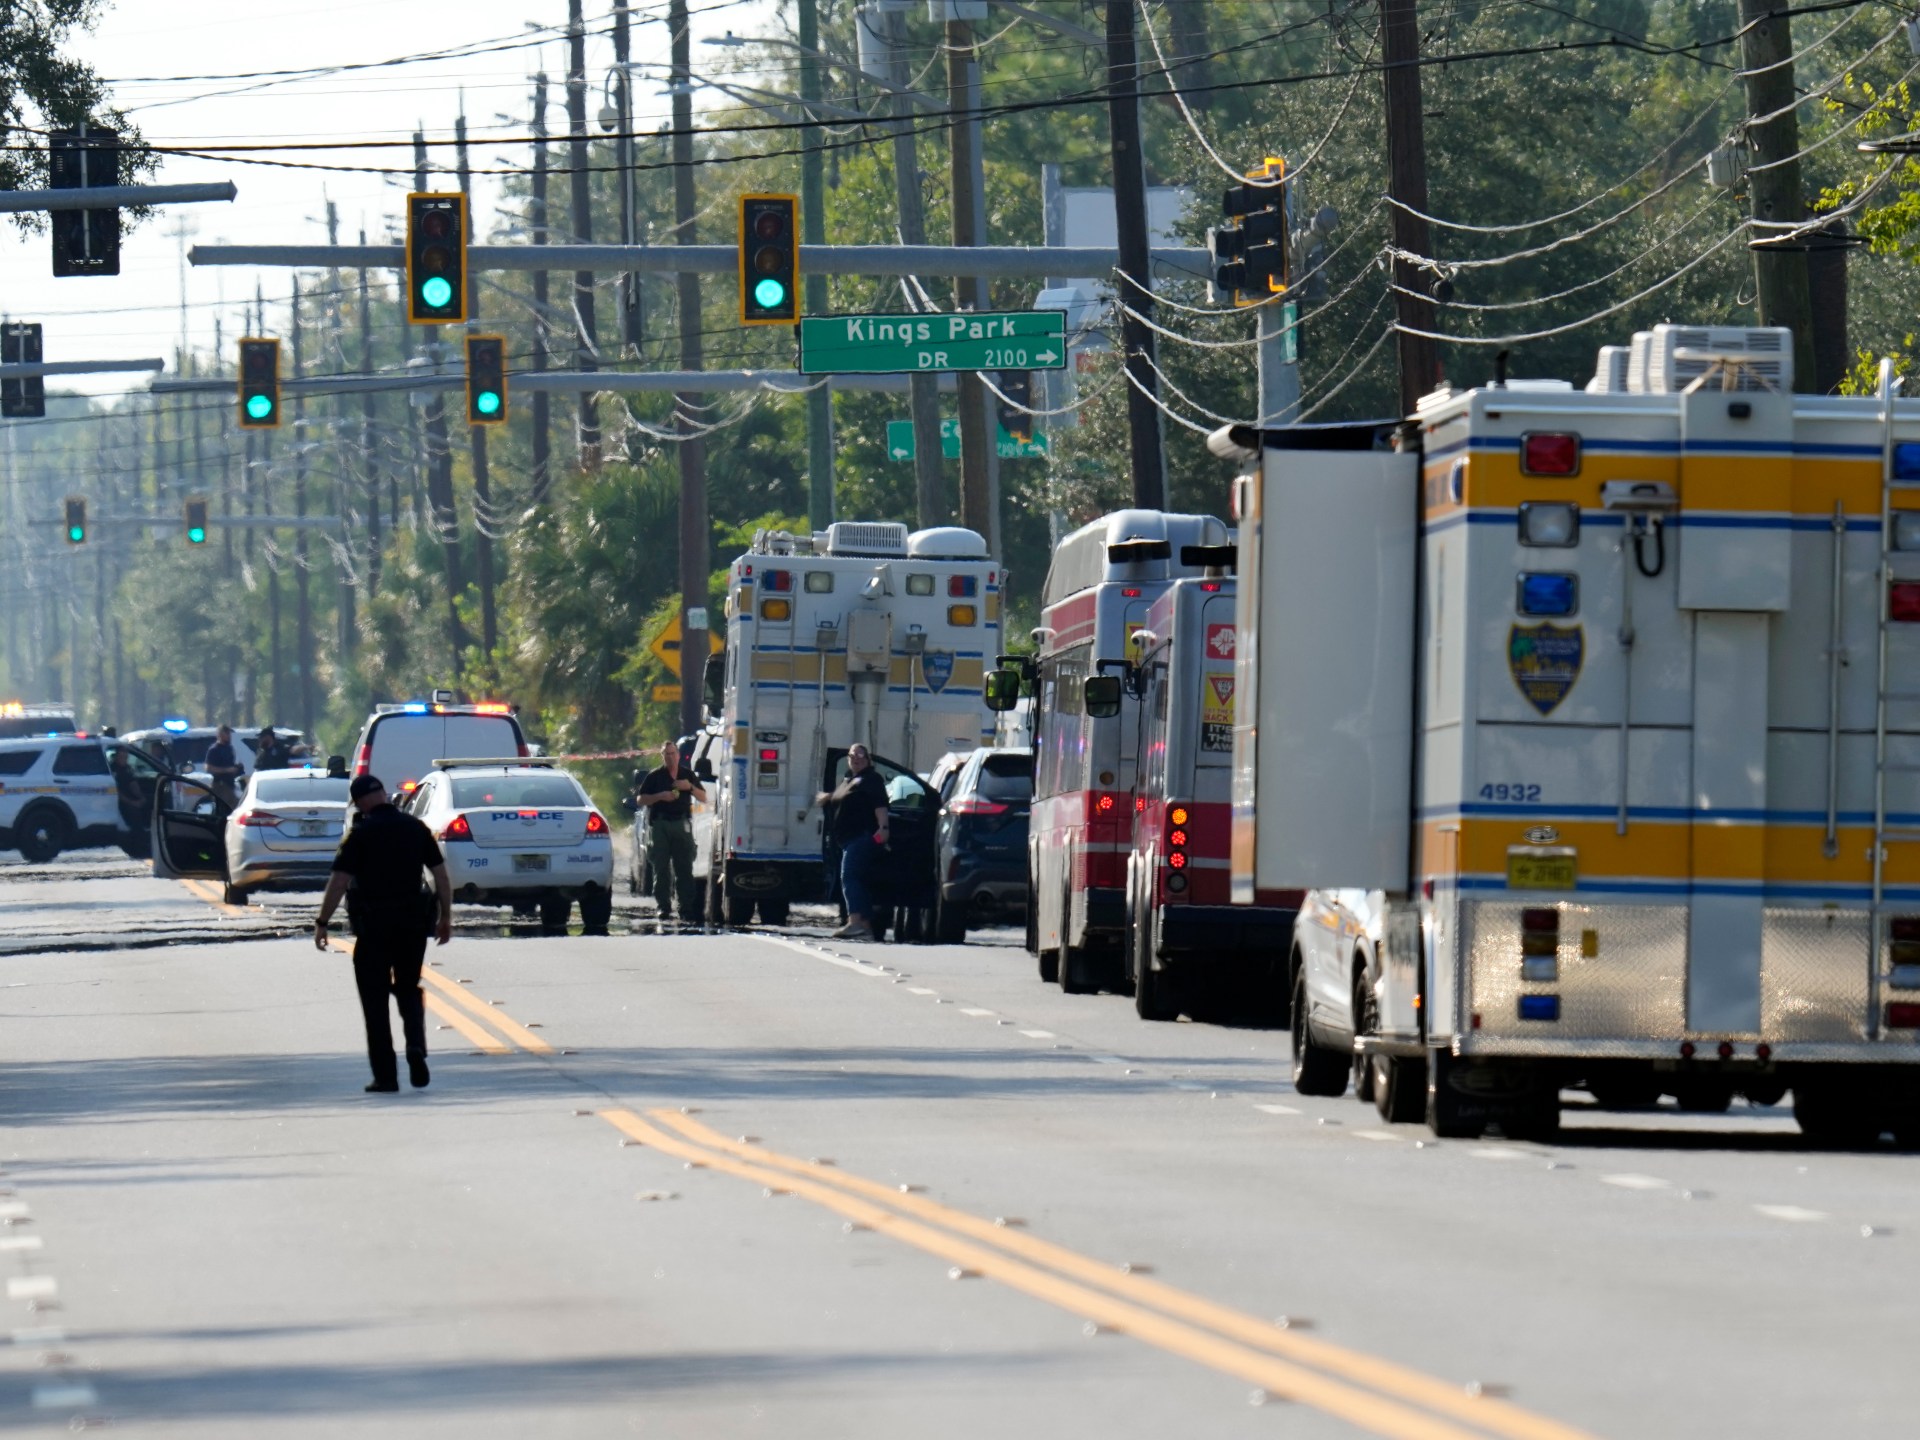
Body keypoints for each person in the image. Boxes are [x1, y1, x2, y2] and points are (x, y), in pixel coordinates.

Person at [312, 774, 452, 1093]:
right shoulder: (415, 828)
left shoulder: (359, 835)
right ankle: (415, 1045)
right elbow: (440, 876)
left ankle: (386, 1076)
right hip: (413, 925)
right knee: (407, 986)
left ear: (360, 802)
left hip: (373, 926)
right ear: (385, 795)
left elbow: (339, 882)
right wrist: (446, 917)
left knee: (374, 1001)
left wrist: (322, 922)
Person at [817, 743, 890, 941]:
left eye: (860, 755)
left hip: (862, 837)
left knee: (849, 877)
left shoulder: (871, 779)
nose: (856, 758)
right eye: (852, 755)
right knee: (859, 880)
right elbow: (847, 799)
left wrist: (883, 828)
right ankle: (866, 928)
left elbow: (880, 806)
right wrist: (829, 798)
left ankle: (855, 921)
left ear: (868, 759)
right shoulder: (850, 779)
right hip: (847, 840)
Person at [636, 739, 706, 920]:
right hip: (660, 825)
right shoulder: (654, 776)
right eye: (667, 754)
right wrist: (660, 796)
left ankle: (685, 908)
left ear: (678, 755)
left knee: (684, 867)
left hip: (681, 824)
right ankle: (663, 907)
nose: (670, 757)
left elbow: (704, 796)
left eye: (673, 753)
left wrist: (689, 787)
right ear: (662, 756)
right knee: (661, 868)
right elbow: (640, 799)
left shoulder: (687, 775)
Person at [205, 724, 243, 809]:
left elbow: (231, 764)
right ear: (220, 734)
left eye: (229, 733)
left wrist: (237, 768)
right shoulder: (214, 750)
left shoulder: (230, 748)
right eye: (227, 733)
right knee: (231, 807)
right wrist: (227, 770)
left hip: (230, 784)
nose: (229, 736)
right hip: (220, 785)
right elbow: (209, 768)